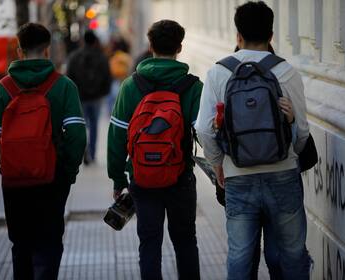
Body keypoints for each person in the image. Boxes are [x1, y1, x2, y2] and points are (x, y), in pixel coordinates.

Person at [0, 23, 86, 280]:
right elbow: (76, 136)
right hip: (52, 179)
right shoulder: (64, 87)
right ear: (47, 51)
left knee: (21, 245)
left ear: (19, 51)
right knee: (49, 242)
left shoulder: (0, 91)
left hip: (14, 180)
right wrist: (67, 172)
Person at [195, 2, 311, 280]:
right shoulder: (286, 72)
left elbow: (204, 130)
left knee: (240, 257)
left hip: (238, 176)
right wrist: (289, 147)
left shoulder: (219, 73)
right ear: (271, 35)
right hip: (283, 176)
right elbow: (303, 133)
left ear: (237, 35)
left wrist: (219, 165)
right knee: (290, 255)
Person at [107, 20, 202, 280]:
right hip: (181, 177)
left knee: (149, 244)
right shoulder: (192, 86)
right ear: (179, 48)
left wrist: (117, 178)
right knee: (185, 243)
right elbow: (206, 133)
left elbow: (115, 136)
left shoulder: (130, 86)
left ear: (150, 47)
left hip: (142, 177)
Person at [67, 30, 111, 165]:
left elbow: (69, 76)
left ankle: (83, 150)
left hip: (80, 96)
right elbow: (107, 76)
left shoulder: (74, 57)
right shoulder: (101, 57)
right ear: (95, 41)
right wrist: (104, 92)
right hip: (96, 97)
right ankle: (92, 153)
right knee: (94, 125)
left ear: (83, 41)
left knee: (82, 124)